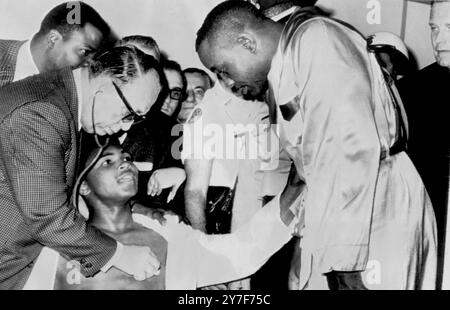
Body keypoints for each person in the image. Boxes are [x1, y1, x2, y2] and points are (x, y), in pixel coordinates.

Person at [195, 1, 437, 289]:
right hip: (339, 215)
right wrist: (232, 257)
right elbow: (303, 176)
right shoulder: (288, 59)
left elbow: (349, 150)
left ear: (247, 42)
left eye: (222, 69)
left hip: (373, 208)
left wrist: (344, 265)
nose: (226, 82)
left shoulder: (315, 39)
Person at [27, 138, 301, 289]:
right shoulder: (57, 243)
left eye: (126, 158)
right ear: (83, 185)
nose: (124, 164)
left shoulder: (169, 234)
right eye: (108, 162)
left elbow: (243, 251)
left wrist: (294, 188)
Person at [0, 45, 162, 289]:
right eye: (129, 113)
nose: (126, 127)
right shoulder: (41, 111)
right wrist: (120, 255)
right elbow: (46, 216)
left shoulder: (56, 97)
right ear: (105, 86)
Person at [397, 0, 450, 289]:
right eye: (434, 27)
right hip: (431, 239)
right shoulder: (412, 93)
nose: (439, 39)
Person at [0, 1, 116, 87]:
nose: (90, 64)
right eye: (85, 51)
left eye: (94, 56)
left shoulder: (69, 90)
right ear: (53, 39)